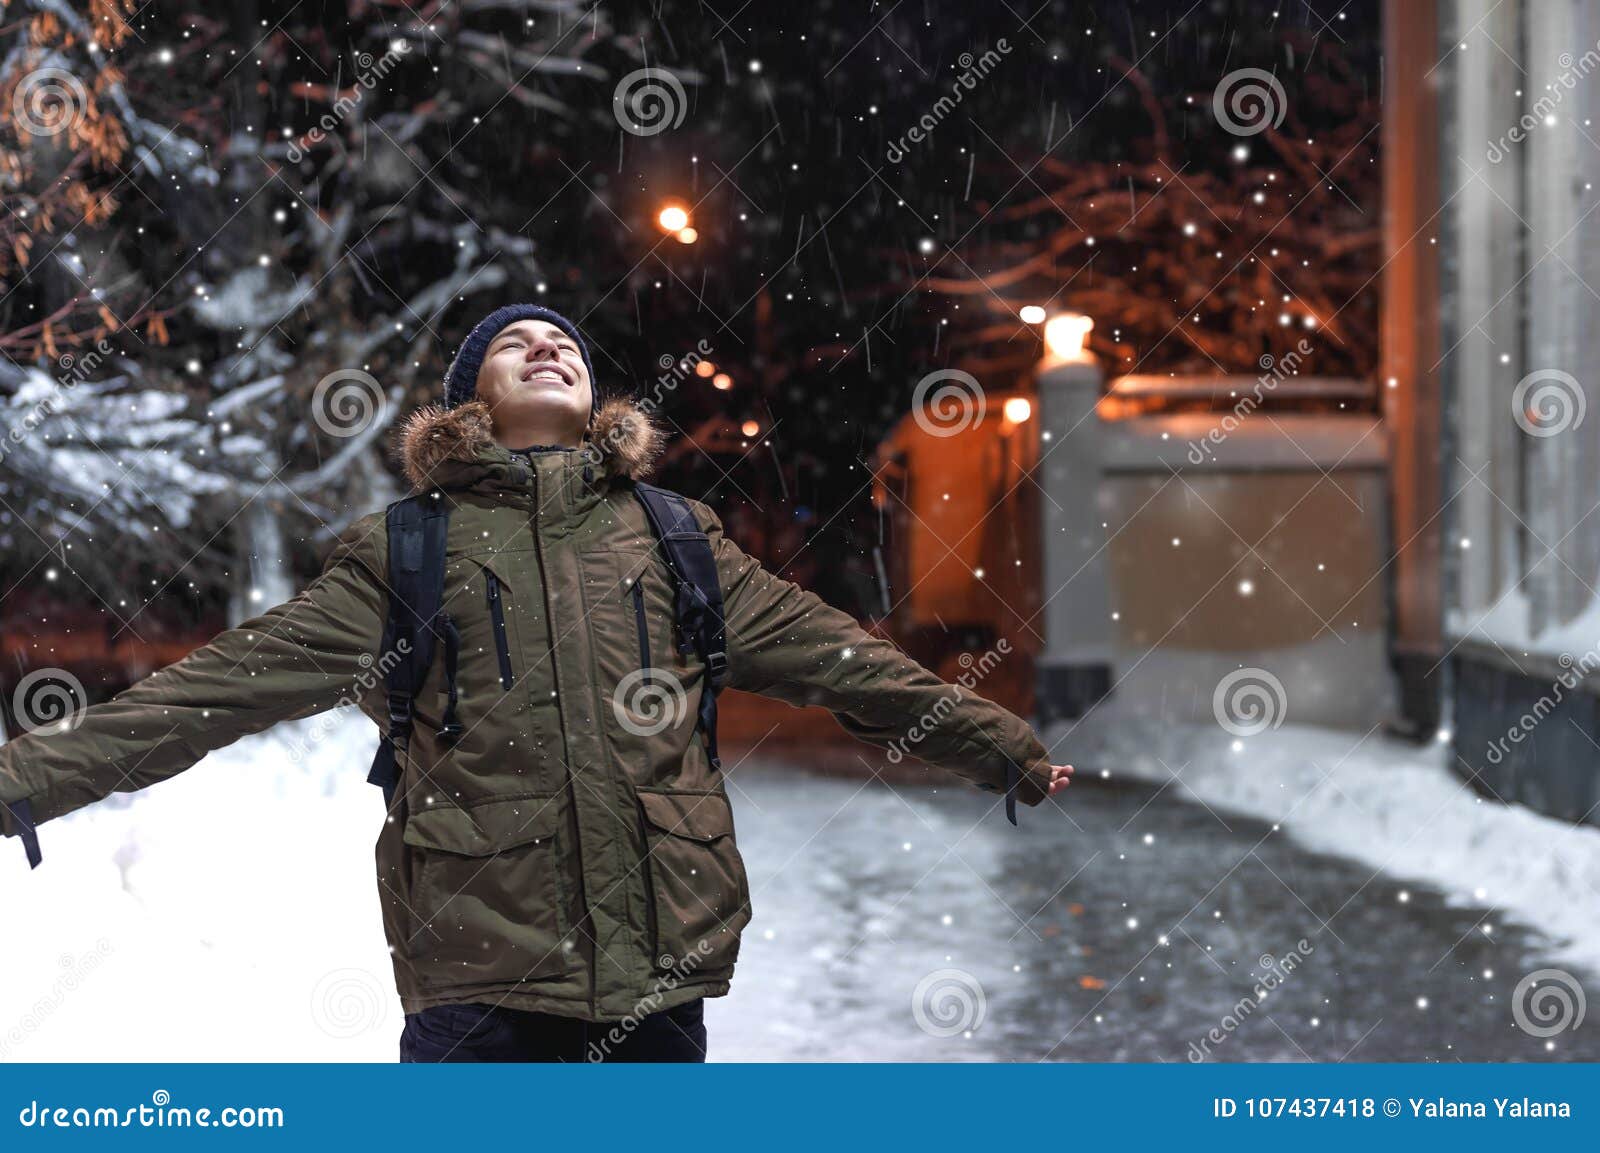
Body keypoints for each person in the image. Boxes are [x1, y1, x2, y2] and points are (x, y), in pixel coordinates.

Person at [0, 304, 1073, 1062]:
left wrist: (999, 743)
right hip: (480, 972)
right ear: (473, 400)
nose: (546, 345)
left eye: (561, 339)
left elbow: (844, 660)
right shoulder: (408, 550)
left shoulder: (673, 537)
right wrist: (32, 776)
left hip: (660, 962)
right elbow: (227, 684)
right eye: (514, 343)